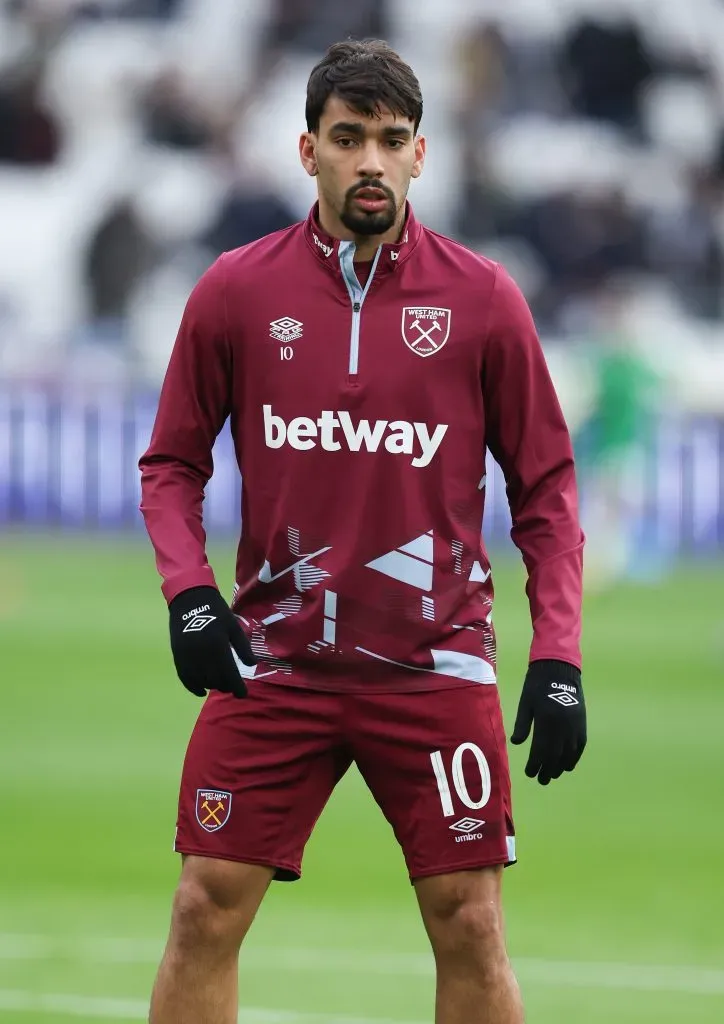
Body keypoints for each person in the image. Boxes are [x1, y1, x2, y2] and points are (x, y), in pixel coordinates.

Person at [139, 39, 586, 1024]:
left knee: (468, 920)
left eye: (392, 139)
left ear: (422, 155)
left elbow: (546, 488)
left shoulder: (482, 302)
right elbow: (171, 464)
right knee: (202, 910)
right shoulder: (235, 292)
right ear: (308, 151)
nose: (371, 161)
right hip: (277, 661)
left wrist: (558, 655)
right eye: (349, 138)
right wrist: (189, 592)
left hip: (435, 665)